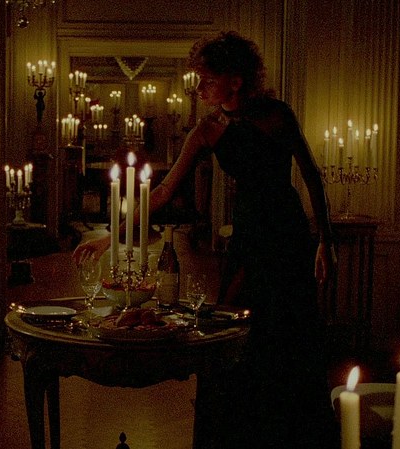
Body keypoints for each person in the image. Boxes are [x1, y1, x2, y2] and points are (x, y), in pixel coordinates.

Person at [73, 31, 339, 448]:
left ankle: (291, 434)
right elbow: (162, 192)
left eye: (207, 79)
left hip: (287, 233)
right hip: (249, 236)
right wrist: (111, 238)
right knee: (237, 329)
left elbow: (311, 175)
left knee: (289, 330)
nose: (199, 88)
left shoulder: (277, 115)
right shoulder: (207, 130)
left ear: (236, 80)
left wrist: (326, 240)